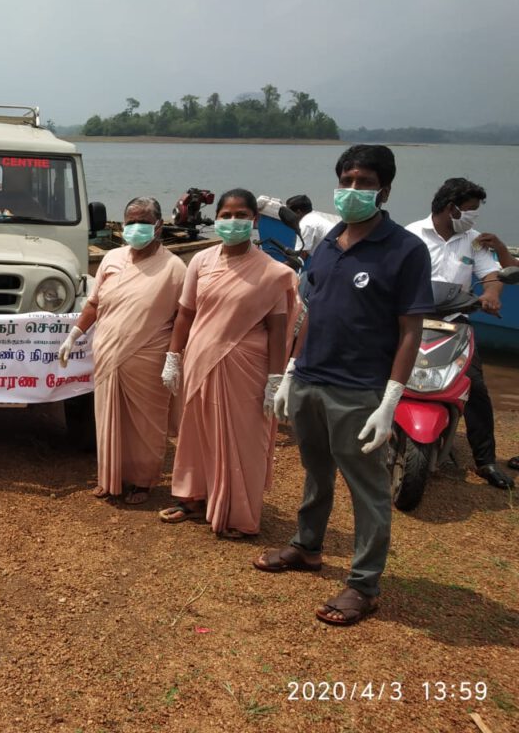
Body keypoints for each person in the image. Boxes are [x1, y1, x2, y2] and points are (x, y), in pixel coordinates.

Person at [253, 145, 433, 627]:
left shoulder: (405, 250)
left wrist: (390, 400)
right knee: (315, 471)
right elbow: (310, 311)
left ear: (385, 190)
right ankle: (307, 546)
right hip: (311, 379)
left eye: (364, 182)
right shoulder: (331, 240)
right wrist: (291, 371)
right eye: (347, 180)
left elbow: (410, 330)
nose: (353, 190)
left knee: (367, 488)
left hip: (359, 390)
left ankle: (363, 584)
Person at [159, 189, 297, 537]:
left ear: (254, 221)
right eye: (226, 215)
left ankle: (238, 513)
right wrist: (173, 358)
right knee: (195, 431)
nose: (232, 222)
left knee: (243, 439)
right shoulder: (201, 262)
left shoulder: (273, 272)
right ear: (216, 218)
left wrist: (276, 379)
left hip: (247, 366)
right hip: (200, 359)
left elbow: (278, 329)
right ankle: (192, 498)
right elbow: (185, 314)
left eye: (241, 216)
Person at [57, 197, 186, 504]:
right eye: (129, 222)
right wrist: (73, 335)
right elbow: (94, 304)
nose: (134, 228)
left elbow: (184, 316)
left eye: (142, 221)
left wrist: (174, 357)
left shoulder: (175, 268)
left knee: (146, 424)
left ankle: (143, 482)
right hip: (107, 353)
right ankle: (109, 479)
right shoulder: (112, 258)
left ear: (158, 225)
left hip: (149, 357)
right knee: (107, 417)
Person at [405, 178, 517, 490]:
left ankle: (485, 461)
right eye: (469, 210)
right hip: (412, 320)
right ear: (450, 208)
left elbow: (493, 276)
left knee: (476, 388)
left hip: (456, 322)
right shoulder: (410, 234)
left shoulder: (475, 241)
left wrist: (492, 294)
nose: (473, 217)